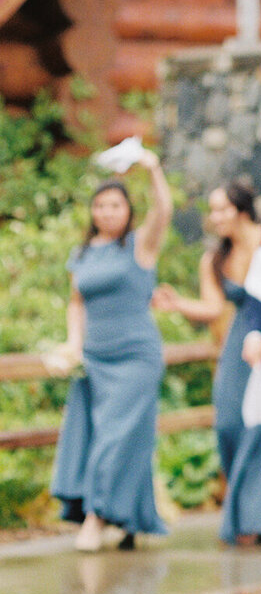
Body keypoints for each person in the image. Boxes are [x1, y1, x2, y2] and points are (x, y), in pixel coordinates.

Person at [152, 180, 261, 546]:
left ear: (242, 209)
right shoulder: (215, 258)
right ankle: (245, 510)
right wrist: (177, 304)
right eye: (213, 210)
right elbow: (213, 308)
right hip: (238, 343)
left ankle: (259, 518)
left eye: (222, 209)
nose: (215, 218)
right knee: (231, 422)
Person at [49, 150, 173, 551]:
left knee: (116, 436)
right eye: (100, 205)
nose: (106, 212)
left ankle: (96, 516)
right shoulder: (83, 254)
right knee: (100, 435)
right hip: (94, 359)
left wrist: (152, 168)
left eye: (115, 205)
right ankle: (130, 519)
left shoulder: (139, 246)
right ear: (92, 211)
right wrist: (73, 344)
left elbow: (164, 210)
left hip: (136, 357)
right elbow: (76, 303)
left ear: (127, 209)